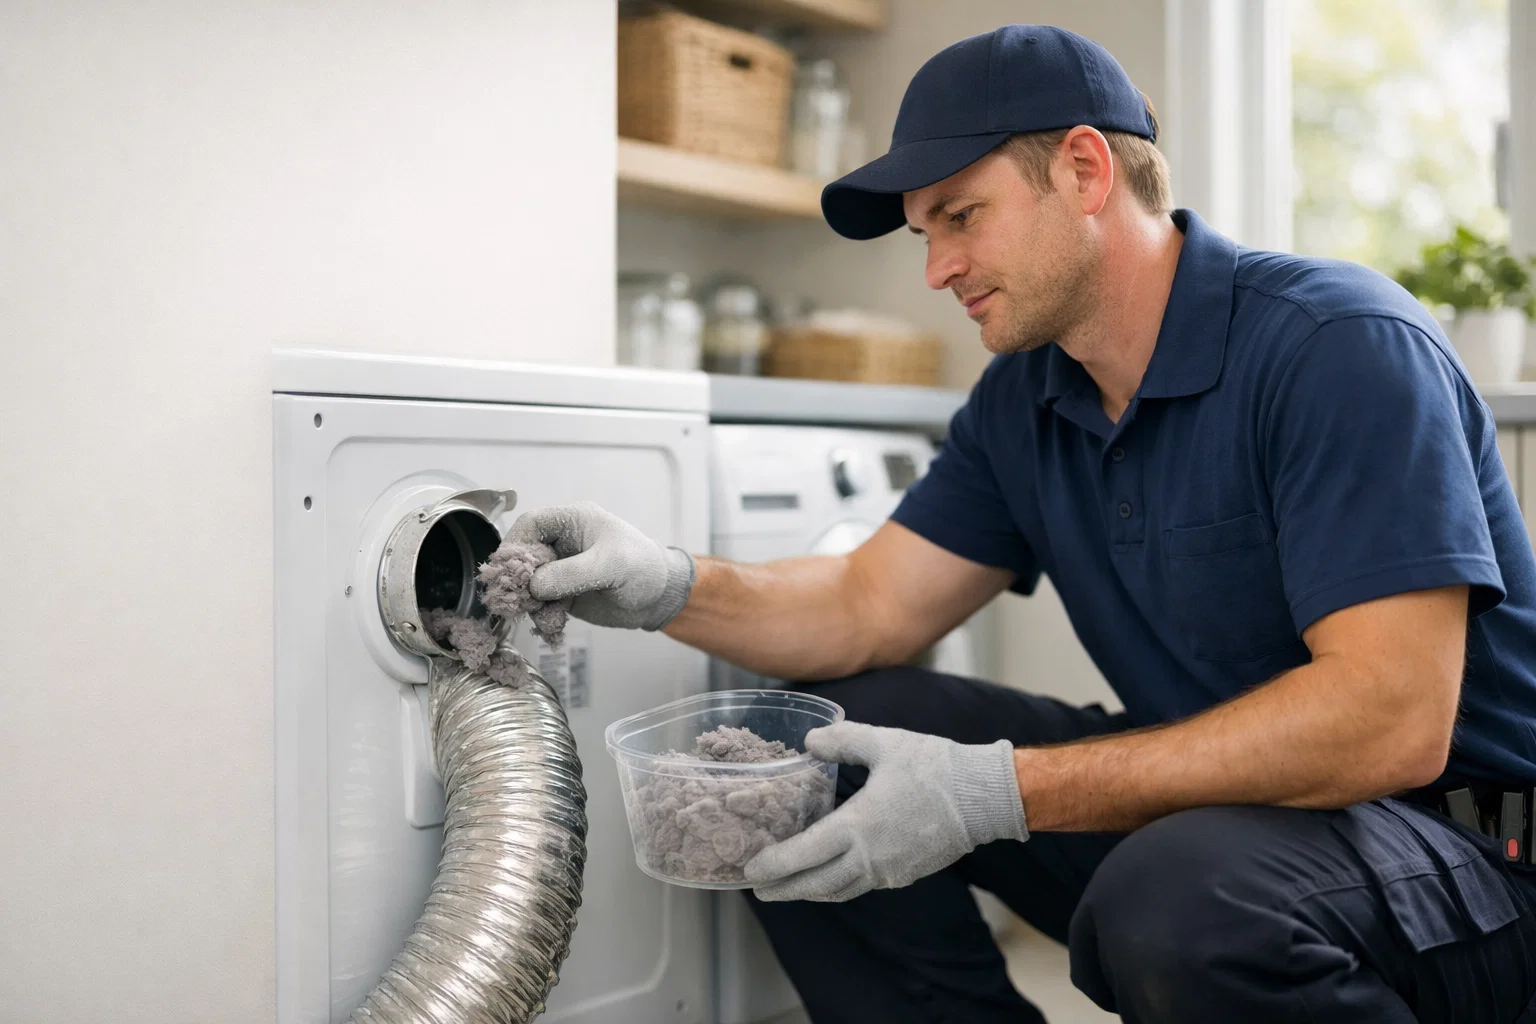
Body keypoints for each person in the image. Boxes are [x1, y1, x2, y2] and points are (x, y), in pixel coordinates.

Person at [512, 24, 1536, 1024]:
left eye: (961, 216)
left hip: (1474, 852)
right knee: (814, 761)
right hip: (1247, 819)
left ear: (1085, 172)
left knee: (1178, 901)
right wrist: (666, 583)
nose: (936, 269)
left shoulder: (1337, 345)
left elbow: (1390, 718)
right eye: (926, 232)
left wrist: (996, 791)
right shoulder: (1028, 400)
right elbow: (868, 604)